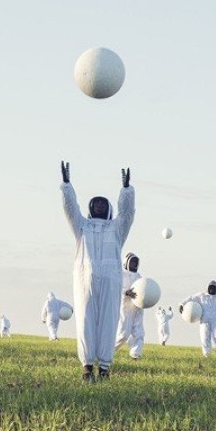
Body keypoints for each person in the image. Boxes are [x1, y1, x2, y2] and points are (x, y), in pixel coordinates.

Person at [60, 162, 135, 382]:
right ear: (91, 207)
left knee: (108, 322)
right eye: (97, 203)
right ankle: (86, 367)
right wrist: (66, 185)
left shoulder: (117, 228)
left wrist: (127, 190)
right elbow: (70, 208)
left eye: (104, 203)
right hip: (85, 281)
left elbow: (128, 212)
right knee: (85, 321)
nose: (100, 205)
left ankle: (104, 368)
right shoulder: (81, 226)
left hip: (111, 281)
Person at [183, 281, 216, 358]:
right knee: (205, 338)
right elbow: (191, 298)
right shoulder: (201, 296)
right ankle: (207, 355)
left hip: (215, 321)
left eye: (214, 288)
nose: (212, 289)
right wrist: (182, 304)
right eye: (210, 287)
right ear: (207, 287)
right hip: (204, 321)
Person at [115, 253, 146, 360]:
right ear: (126, 262)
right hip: (125, 308)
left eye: (135, 262)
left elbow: (145, 290)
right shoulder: (121, 275)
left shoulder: (139, 277)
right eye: (132, 262)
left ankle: (135, 355)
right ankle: (107, 352)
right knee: (123, 334)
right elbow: (115, 288)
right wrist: (126, 293)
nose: (134, 264)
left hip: (138, 308)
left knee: (139, 333)